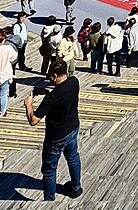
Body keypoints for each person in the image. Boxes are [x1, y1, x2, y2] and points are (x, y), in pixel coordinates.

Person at [24, 60, 83, 201]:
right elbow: (62, 95)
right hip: (73, 127)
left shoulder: (52, 98)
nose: (49, 78)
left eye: (50, 76)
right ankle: (76, 188)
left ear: (55, 75)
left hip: (56, 136)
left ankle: (49, 200)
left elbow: (33, 121)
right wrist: (47, 92)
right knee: (73, 157)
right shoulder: (74, 82)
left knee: (49, 169)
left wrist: (28, 105)